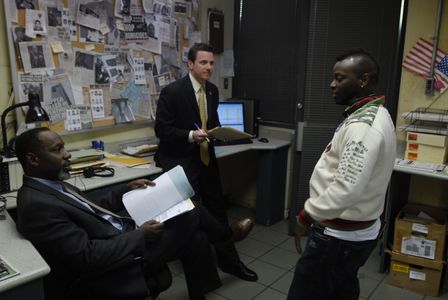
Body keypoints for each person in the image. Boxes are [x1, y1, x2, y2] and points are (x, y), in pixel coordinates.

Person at [15, 127, 254, 300]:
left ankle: (217, 250)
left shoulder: (52, 182)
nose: (67, 154)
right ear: (33, 159)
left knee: (194, 226)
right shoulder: (37, 205)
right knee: (191, 214)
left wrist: (124, 190)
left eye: (64, 147)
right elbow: (87, 258)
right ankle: (224, 238)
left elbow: (91, 210)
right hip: (119, 259)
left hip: (119, 234)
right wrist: (139, 236)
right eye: (58, 150)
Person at [287, 49, 396, 300]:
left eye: (340, 78)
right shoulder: (376, 112)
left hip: (337, 238)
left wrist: (306, 215)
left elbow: (346, 188)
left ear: (364, 80)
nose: (332, 84)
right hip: (355, 233)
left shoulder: (363, 127)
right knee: (341, 288)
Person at [154, 43, 258, 282]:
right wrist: (192, 136)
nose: (209, 67)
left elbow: (211, 121)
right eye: (203, 62)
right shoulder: (173, 91)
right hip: (182, 161)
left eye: (211, 63)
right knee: (192, 218)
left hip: (206, 158)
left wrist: (221, 133)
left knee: (218, 209)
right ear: (190, 64)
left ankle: (230, 263)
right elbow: (162, 130)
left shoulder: (211, 90)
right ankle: (204, 276)